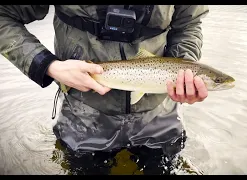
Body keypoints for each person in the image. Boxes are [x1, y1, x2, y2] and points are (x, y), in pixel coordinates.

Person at [0, 5, 209, 174]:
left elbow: (189, 24)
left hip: (159, 117)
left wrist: (185, 70)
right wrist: (49, 66)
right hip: (83, 117)